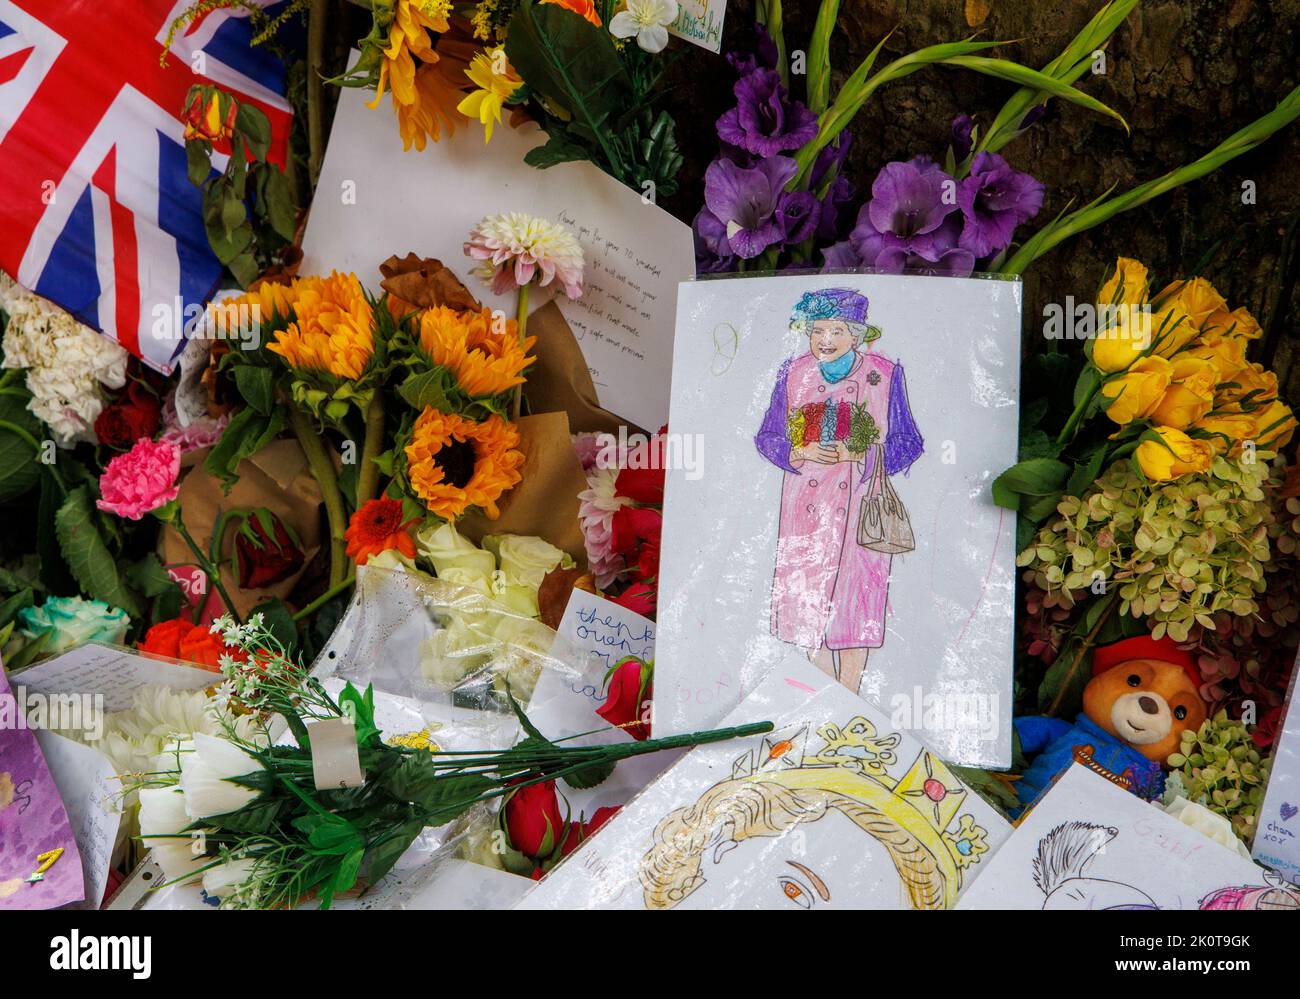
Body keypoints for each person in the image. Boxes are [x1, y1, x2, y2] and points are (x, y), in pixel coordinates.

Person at [754, 288, 923, 692]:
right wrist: (799, 451)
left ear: (857, 334)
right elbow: (767, 437)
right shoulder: (792, 373)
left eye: (835, 330)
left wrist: (861, 455)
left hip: (861, 505)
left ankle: (850, 695)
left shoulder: (884, 372)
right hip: (805, 506)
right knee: (809, 606)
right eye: (817, 330)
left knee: (855, 604)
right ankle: (826, 693)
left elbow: (908, 441)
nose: (825, 339)